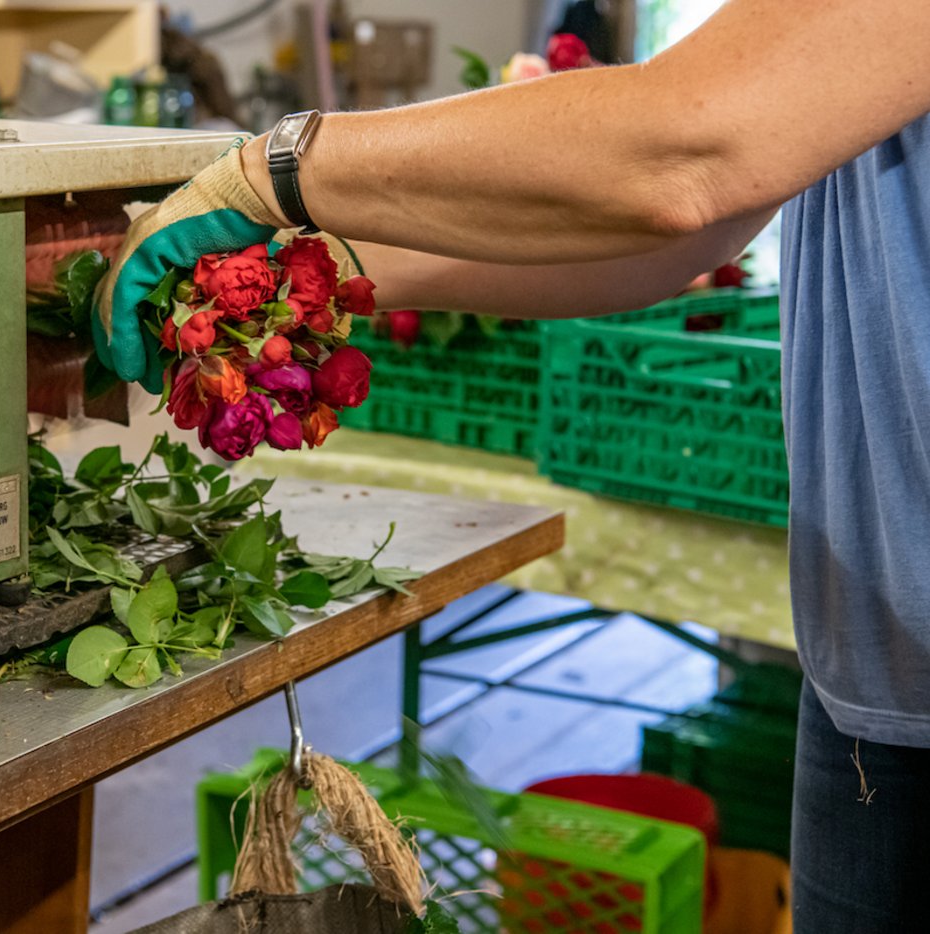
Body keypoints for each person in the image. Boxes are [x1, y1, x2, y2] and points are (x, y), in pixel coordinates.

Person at [95, 2, 930, 930]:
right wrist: (313, 266)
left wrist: (274, 170)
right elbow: (689, 228)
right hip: (875, 685)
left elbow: (688, 149)